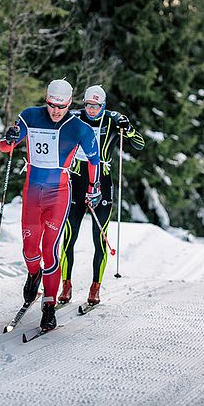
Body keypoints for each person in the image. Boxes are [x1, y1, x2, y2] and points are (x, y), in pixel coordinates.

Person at [0, 79, 102, 331]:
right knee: (29, 249)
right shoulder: (30, 116)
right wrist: (9, 138)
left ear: (69, 104)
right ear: (47, 100)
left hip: (59, 194)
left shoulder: (78, 128)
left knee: (50, 250)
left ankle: (48, 305)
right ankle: (34, 274)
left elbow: (94, 160)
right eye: (52, 105)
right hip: (32, 193)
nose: (56, 111)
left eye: (62, 106)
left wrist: (93, 188)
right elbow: (5, 147)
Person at [58, 85, 145, 306]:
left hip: (102, 182)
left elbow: (140, 144)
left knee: (100, 237)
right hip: (77, 179)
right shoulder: (75, 117)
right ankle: (65, 284)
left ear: (103, 105)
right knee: (70, 235)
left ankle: (95, 287)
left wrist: (130, 128)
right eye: (88, 105)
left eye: (96, 106)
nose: (91, 109)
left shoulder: (113, 120)